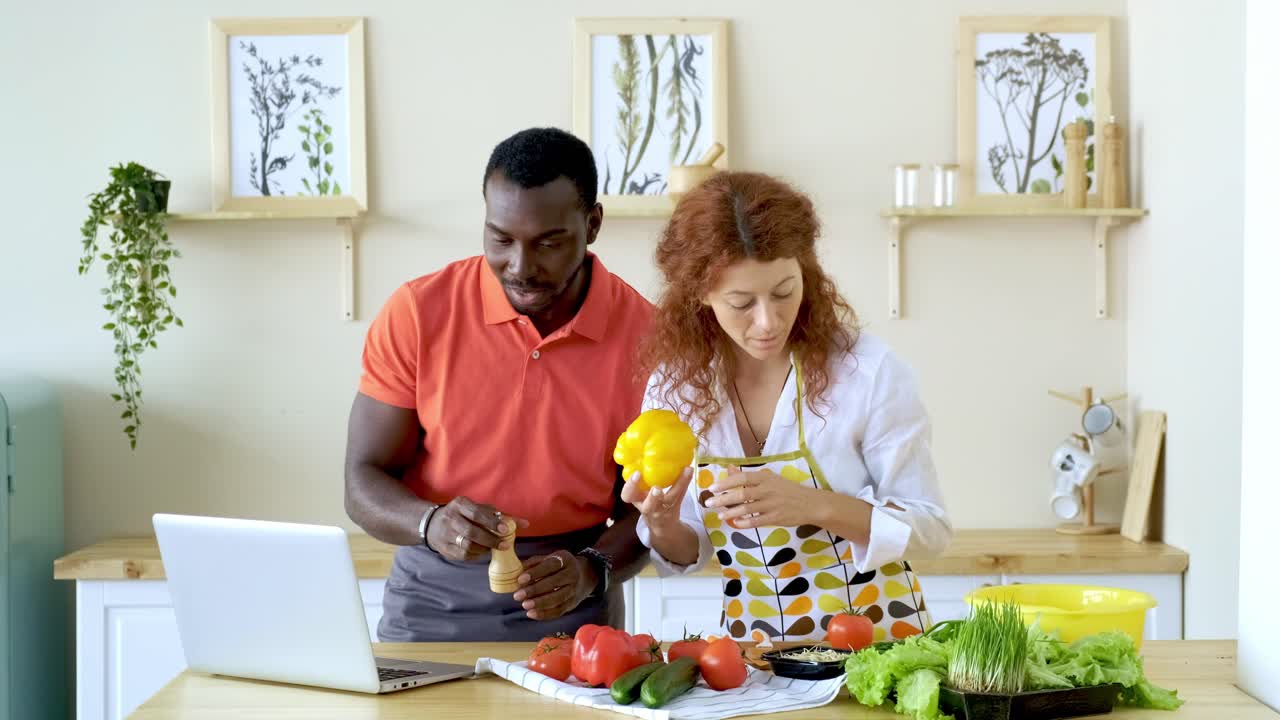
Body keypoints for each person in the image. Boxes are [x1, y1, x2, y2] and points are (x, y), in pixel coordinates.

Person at [345, 128, 653, 641]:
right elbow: (362, 480)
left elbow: (650, 512)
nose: (521, 267)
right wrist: (431, 523)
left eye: (549, 243)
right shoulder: (418, 312)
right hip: (428, 602)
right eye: (501, 238)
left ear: (592, 224)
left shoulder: (650, 337)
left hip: (573, 608)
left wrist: (591, 569)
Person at [622, 172, 951, 644]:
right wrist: (662, 523)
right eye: (740, 302)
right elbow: (691, 546)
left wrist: (813, 505)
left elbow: (930, 528)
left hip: (878, 643)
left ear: (805, 271)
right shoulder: (677, 388)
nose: (768, 321)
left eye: (783, 292)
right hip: (755, 658)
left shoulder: (868, 372)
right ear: (700, 293)